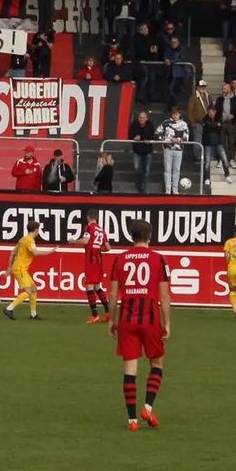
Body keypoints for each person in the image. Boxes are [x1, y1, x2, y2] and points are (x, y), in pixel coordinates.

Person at [107, 218, 170, 431]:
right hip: (151, 319)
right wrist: (167, 322)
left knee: (130, 368)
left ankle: (132, 420)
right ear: (149, 236)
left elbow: (113, 294)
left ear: (131, 236)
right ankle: (148, 407)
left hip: (127, 319)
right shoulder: (158, 259)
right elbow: (164, 295)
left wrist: (112, 320)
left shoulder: (120, 259)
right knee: (157, 364)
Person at [3, 220, 62, 320]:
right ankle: (9, 308)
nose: (39, 231)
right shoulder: (29, 240)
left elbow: (13, 253)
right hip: (20, 269)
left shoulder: (23, 239)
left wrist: (9, 268)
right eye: (38, 229)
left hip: (20, 268)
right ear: (35, 230)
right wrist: (52, 251)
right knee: (29, 292)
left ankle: (33, 314)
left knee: (34, 289)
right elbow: (36, 253)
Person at [75, 212, 112, 324]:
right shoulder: (101, 230)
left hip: (91, 261)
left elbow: (85, 241)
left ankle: (95, 315)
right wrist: (98, 249)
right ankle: (108, 312)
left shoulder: (89, 227)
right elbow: (108, 247)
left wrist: (73, 241)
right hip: (99, 261)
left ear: (88, 217)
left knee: (89, 287)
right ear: (96, 218)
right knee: (97, 286)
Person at [155, 106, 189, 196]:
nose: (175, 116)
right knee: (167, 169)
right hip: (168, 149)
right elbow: (157, 133)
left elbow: (186, 137)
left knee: (177, 170)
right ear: (171, 114)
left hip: (179, 150)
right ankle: (167, 190)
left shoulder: (184, 124)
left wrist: (178, 139)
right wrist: (167, 139)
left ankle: (175, 190)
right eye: (174, 114)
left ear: (179, 114)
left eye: (177, 114)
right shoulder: (165, 123)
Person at [201, 107, 231, 186]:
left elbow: (220, 128)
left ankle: (227, 175)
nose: (211, 113)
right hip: (207, 144)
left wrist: (212, 126)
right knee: (207, 162)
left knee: (224, 159)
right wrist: (215, 126)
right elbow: (207, 128)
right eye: (209, 112)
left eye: (212, 112)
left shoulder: (218, 119)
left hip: (218, 143)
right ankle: (207, 178)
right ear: (207, 112)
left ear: (215, 112)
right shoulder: (204, 119)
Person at [129, 110, 155, 194]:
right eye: (140, 117)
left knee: (146, 170)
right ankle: (138, 183)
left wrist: (141, 137)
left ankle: (143, 188)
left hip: (147, 151)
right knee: (136, 168)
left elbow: (151, 136)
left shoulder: (150, 125)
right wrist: (136, 137)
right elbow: (130, 135)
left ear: (146, 118)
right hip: (137, 151)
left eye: (143, 117)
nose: (141, 119)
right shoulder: (134, 125)